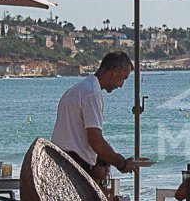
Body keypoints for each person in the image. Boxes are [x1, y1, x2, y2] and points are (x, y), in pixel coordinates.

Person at [51, 52, 146, 182]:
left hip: (60, 162)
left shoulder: (77, 89)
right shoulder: (92, 94)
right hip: (75, 168)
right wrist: (122, 163)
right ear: (115, 71)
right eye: (123, 78)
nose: (121, 85)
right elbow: (96, 142)